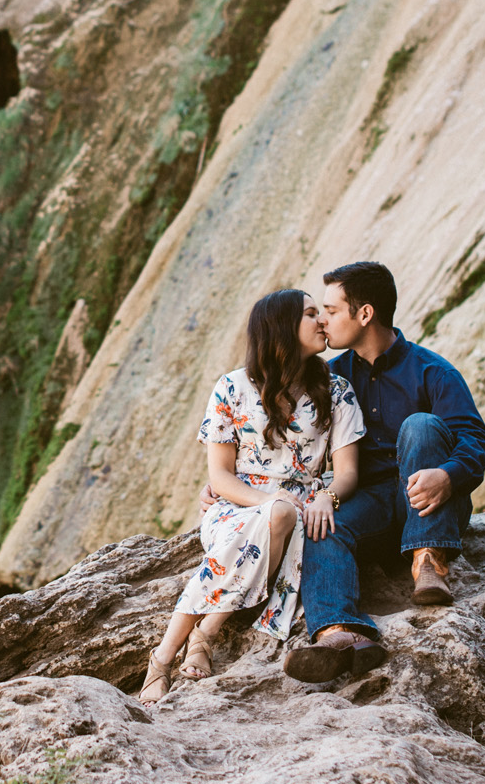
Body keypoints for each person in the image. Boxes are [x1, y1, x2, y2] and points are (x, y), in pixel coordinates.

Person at [139, 288, 366, 704]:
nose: (322, 322)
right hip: (237, 505)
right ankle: (173, 651)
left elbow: (347, 473)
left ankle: (189, 642)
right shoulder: (231, 388)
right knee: (278, 513)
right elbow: (220, 478)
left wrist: (325, 497)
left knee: (284, 514)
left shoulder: (337, 390)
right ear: (280, 327)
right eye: (311, 314)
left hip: (303, 510)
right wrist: (272, 502)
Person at [281, 260, 485, 684]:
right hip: (373, 505)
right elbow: (289, 443)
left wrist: (448, 476)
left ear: (365, 314)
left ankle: (429, 561)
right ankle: (341, 634)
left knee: (420, 426)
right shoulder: (333, 378)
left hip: (431, 501)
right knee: (323, 524)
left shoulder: (431, 370)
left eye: (332, 310)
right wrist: (225, 485)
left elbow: (476, 440)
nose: (323, 320)